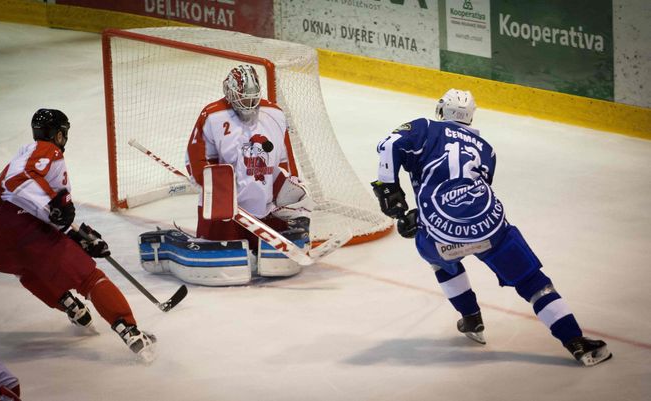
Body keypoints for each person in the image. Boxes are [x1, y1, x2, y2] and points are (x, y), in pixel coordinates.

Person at [371, 89, 612, 366]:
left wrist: (391, 194)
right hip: (490, 229)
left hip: (440, 236)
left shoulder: (425, 128)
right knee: (533, 283)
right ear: (471, 116)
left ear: (441, 110)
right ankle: (576, 341)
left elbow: (389, 144)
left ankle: (472, 319)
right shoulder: (486, 148)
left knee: (441, 262)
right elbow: (474, 192)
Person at [0, 109, 156, 362]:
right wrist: (55, 211)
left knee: (27, 268)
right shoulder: (49, 151)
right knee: (90, 278)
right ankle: (131, 332)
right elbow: (19, 185)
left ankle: (70, 305)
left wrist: (81, 236)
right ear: (59, 134)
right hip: (19, 229)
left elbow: (44, 212)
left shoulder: (22, 155)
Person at [179, 64, 314, 285]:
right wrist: (219, 193)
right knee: (225, 253)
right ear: (230, 93)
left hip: (265, 205)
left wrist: (286, 188)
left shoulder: (275, 114)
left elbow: (284, 160)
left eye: (253, 98)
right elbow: (195, 161)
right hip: (226, 211)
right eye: (243, 98)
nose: (250, 104)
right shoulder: (212, 115)